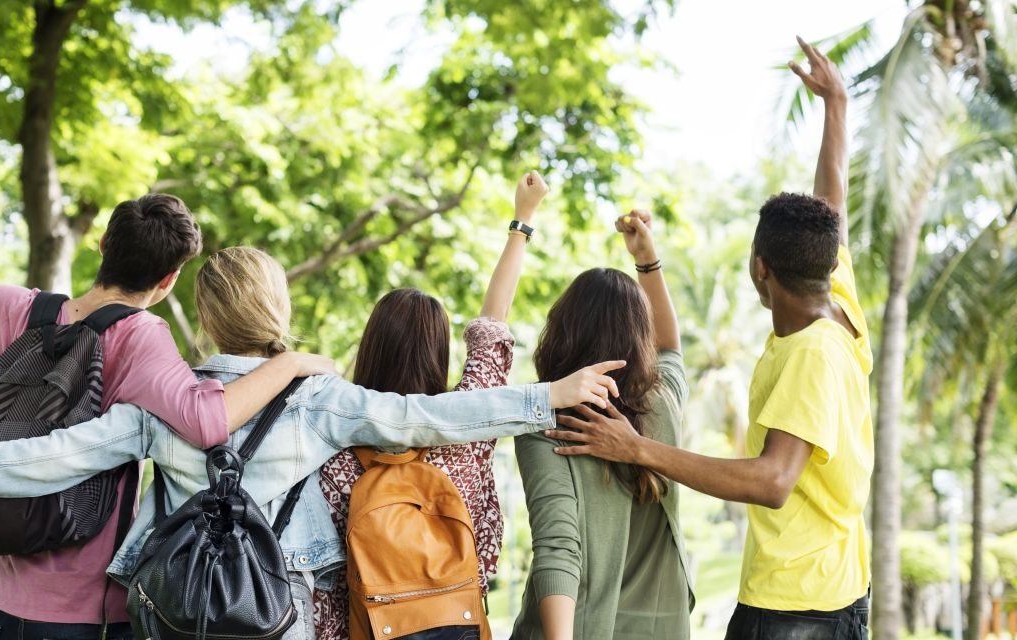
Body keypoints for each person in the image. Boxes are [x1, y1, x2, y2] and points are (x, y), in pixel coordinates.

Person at [0, 245, 625, 640]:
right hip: (279, 613)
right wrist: (546, 397)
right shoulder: (319, 397)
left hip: (173, 610)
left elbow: (47, 457)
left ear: (204, 313)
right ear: (280, 306)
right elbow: (431, 418)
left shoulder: (161, 402)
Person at [0, 113, 334, 639]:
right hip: (82, 614)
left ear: (102, 246)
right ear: (169, 281)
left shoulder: (21, 313)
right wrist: (291, 362)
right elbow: (207, 419)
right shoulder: (141, 337)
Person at [546, 38, 872, 638]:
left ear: (760, 268)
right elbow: (832, 202)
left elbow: (773, 481)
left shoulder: (811, 356)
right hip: (830, 588)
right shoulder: (835, 297)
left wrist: (637, 448)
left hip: (797, 607)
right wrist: (836, 106)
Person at [313, 171, 549, 638]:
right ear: (437, 353)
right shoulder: (467, 429)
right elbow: (491, 327)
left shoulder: (331, 442)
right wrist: (522, 221)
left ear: (371, 347)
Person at [510, 208, 693, 639]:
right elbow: (670, 347)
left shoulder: (546, 422)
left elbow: (558, 549)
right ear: (638, 335)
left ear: (563, 330)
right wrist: (648, 261)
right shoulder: (662, 402)